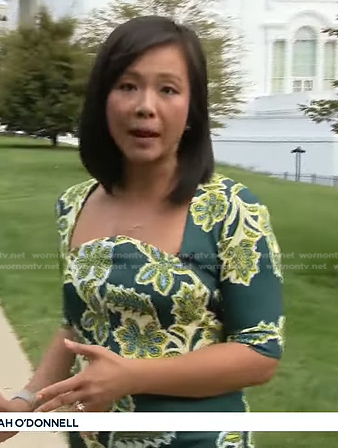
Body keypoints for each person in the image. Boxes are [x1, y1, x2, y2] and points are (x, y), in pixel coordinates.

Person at [0, 15, 284, 448]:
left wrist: (132, 376)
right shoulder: (74, 205)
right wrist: (25, 405)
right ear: (103, 99)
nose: (144, 106)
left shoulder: (231, 209)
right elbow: (75, 328)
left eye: (168, 89)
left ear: (191, 110)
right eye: (127, 86)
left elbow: (260, 353)